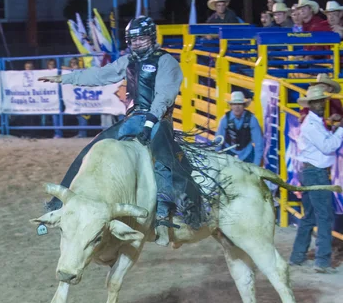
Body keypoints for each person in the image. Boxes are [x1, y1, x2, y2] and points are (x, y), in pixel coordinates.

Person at [39, 16, 191, 246]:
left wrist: (150, 122)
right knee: (94, 148)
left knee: (162, 157)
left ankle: (161, 215)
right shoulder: (127, 61)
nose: (137, 43)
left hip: (158, 118)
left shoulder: (166, 62)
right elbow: (100, 75)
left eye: (142, 38)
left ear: (151, 38)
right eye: (133, 39)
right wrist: (65, 78)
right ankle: (59, 204)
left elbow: (164, 95)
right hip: (132, 119)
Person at [289, 85, 343, 273]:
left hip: (311, 172)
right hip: (316, 173)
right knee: (324, 216)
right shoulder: (312, 125)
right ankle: (322, 261)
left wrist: (334, 127)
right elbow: (328, 147)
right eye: (317, 102)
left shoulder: (314, 123)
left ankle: (297, 256)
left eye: (321, 101)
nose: (320, 104)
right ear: (311, 104)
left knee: (310, 216)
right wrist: (340, 129)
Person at [215, 92, 264, 165]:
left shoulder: (252, 119)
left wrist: (256, 163)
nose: (237, 107)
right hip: (229, 152)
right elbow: (218, 139)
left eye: (239, 104)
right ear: (231, 106)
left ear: (244, 106)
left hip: (247, 153)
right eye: (234, 104)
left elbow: (258, 142)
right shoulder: (225, 119)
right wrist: (217, 157)